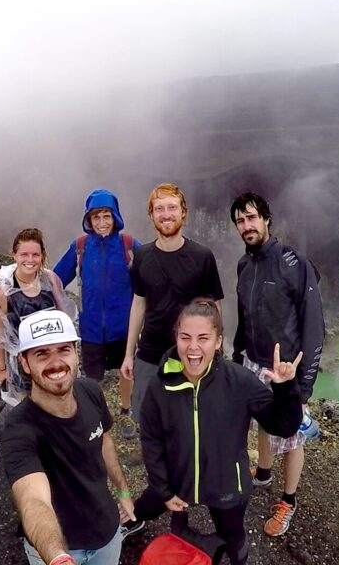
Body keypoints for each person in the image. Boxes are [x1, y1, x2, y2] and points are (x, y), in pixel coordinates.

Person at [136, 299, 303, 565]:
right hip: (178, 478)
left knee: (233, 536)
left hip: (227, 485)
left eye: (203, 338)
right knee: (146, 505)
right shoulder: (161, 384)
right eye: (185, 337)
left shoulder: (239, 381)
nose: (193, 347)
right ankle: (129, 522)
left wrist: (285, 388)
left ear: (217, 341)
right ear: (175, 338)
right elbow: (151, 440)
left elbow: (284, 426)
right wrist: (164, 490)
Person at [1, 309, 135, 565]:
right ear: (25, 363)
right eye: (42, 353)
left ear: (76, 354)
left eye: (64, 349)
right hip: (60, 551)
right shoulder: (19, 429)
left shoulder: (91, 391)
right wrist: (58, 557)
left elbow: (104, 440)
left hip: (107, 536)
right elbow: (33, 500)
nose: (56, 363)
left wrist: (124, 492)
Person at [231, 191, 325, 537]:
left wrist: (304, 385)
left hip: (286, 368)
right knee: (263, 424)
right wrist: (237, 356)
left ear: (267, 219)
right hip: (254, 362)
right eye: (240, 221)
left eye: (252, 217)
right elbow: (244, 316)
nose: (246, 226)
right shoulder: (244, 265)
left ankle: (289, 499)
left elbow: (314, 325)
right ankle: (265, 473)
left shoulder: (293, 262)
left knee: (290, 434)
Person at [119, 183, 225, 427]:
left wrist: (216, 352)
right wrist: (128, 355)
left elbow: (215, 308)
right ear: (151, 215)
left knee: (190, 419)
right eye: (159, 209)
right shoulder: (143, 256)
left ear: (183, 212)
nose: (166, 214)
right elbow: (139, 303)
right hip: (150, 353)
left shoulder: (202, 256)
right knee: (148, 418)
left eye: (172, 208)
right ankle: (154, 465)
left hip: (192, 352)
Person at [52, 189, 140, 439]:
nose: (101, 223)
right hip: (90, 329)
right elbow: (56, 280)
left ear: (115, 217)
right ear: (88, 220)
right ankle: (99, 416)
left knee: (127, 372)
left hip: (123, 327)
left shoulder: (129, 246)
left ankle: (126, 411)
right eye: (96, 217)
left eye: (106, 216)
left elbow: (150, 277)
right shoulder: (80, 248)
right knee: (93, 379)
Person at [0, 228, 73, 407]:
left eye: (35, 255)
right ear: (14, 255)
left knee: (56, 405)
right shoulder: (2, 293)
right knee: (29, 410)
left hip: (53, 360)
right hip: (22, 366)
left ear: (42, 256)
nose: (30, 260)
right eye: (24, 254)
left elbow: (64, 318)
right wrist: (1, 369)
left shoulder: (50, 281)